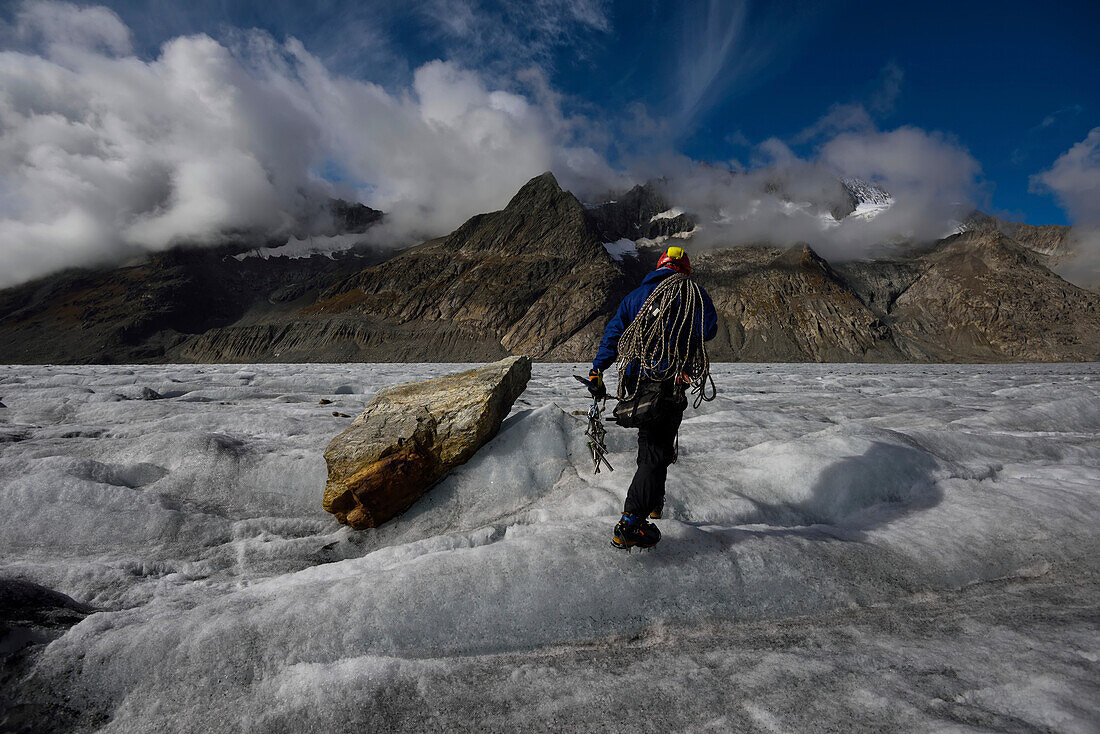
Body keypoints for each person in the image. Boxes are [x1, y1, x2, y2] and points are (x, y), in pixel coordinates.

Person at [583, 245, 718, 549]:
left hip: (638, 381)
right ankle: (630, 523)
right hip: (669, 381)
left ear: (659, 267)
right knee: (657, 450)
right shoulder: (692, 294)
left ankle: (653, 502)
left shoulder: (635, 297)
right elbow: (708, 329)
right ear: (685, 270)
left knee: (653, 443)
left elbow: (614, 333)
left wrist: (597, 371)